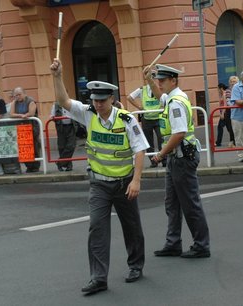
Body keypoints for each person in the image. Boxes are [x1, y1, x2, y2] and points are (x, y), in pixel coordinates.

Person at [50, 59, 149, 295]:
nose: (98, 104)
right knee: (97, 228)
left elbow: (140, 149)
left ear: (112, 99)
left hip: (125, 183)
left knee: (131, 226)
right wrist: (57, 76)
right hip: (99, 185)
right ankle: (98, 278)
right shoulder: (88, 114)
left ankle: (136, 265)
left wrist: (136, 180)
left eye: (102, 100)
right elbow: (63, 101)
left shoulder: (126, 119)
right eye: (94, 100)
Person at [142, 64, 211, 259]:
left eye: (162, 80)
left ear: (173, 80)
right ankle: (173, 243)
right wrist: (148, 79)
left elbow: (179, 133)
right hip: (177, 157)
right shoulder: (171, 98)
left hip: (181, 157)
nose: (159, 83)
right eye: (158, 80)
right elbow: (159, 96)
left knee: (190, 203)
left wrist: (161, 154)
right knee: (172, 203)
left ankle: (201, 245)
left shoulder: (176, 102)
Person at [128, 81, 165, 167]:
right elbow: (129, 97)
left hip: (159, 117)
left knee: (162, 139)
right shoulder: (142, 90)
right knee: (148, 141)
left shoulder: (160, 89)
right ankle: (153, 161)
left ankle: (164, 160)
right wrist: (139, 107)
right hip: (147, 119)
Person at [10, 87, 41, 173]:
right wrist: (21, 115)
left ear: (24, 94)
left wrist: (24, 115)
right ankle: (28, 166)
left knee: (34, 145)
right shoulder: (14, 102)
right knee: (23, 147)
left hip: (32, 126)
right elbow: (11, 114)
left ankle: (35, 166)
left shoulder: (30, 101)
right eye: (16, 95)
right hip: (21, 126)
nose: (17, 97)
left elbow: (31, 113)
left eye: (19, 94)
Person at [50, 102, 76, 171]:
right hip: (61, 127)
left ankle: (60, 163)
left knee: (71, 146)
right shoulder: (55, 105)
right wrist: (53, 118)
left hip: (71, 126)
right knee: (62, 146)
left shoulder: (71, 104)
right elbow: (52, 116)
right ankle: (68, 165)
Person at [215, 83, 235, 147]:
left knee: (225, 128)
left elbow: (225, 105)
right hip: (225, 113)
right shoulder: (224, 93)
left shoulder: (224, 93)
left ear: (221, 88)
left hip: (226, 113)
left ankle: (219, 142)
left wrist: (222, 114)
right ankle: (233, 141)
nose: (217, 90)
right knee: (228, 128)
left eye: (218, 89)